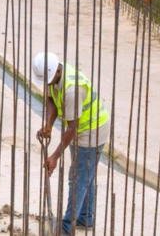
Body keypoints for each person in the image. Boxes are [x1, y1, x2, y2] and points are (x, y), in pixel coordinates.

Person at [33, 52, 111, 235]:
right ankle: (85, 218)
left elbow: (72, 128)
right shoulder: (54, 76)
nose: (48, 84)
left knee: (78, 178)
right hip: (80, 127)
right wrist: (49, 125)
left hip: (92, 130)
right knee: (84, 175)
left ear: (57, 71)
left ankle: (66, 228)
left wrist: (54, 156)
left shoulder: (72, 89)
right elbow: (51, 99)